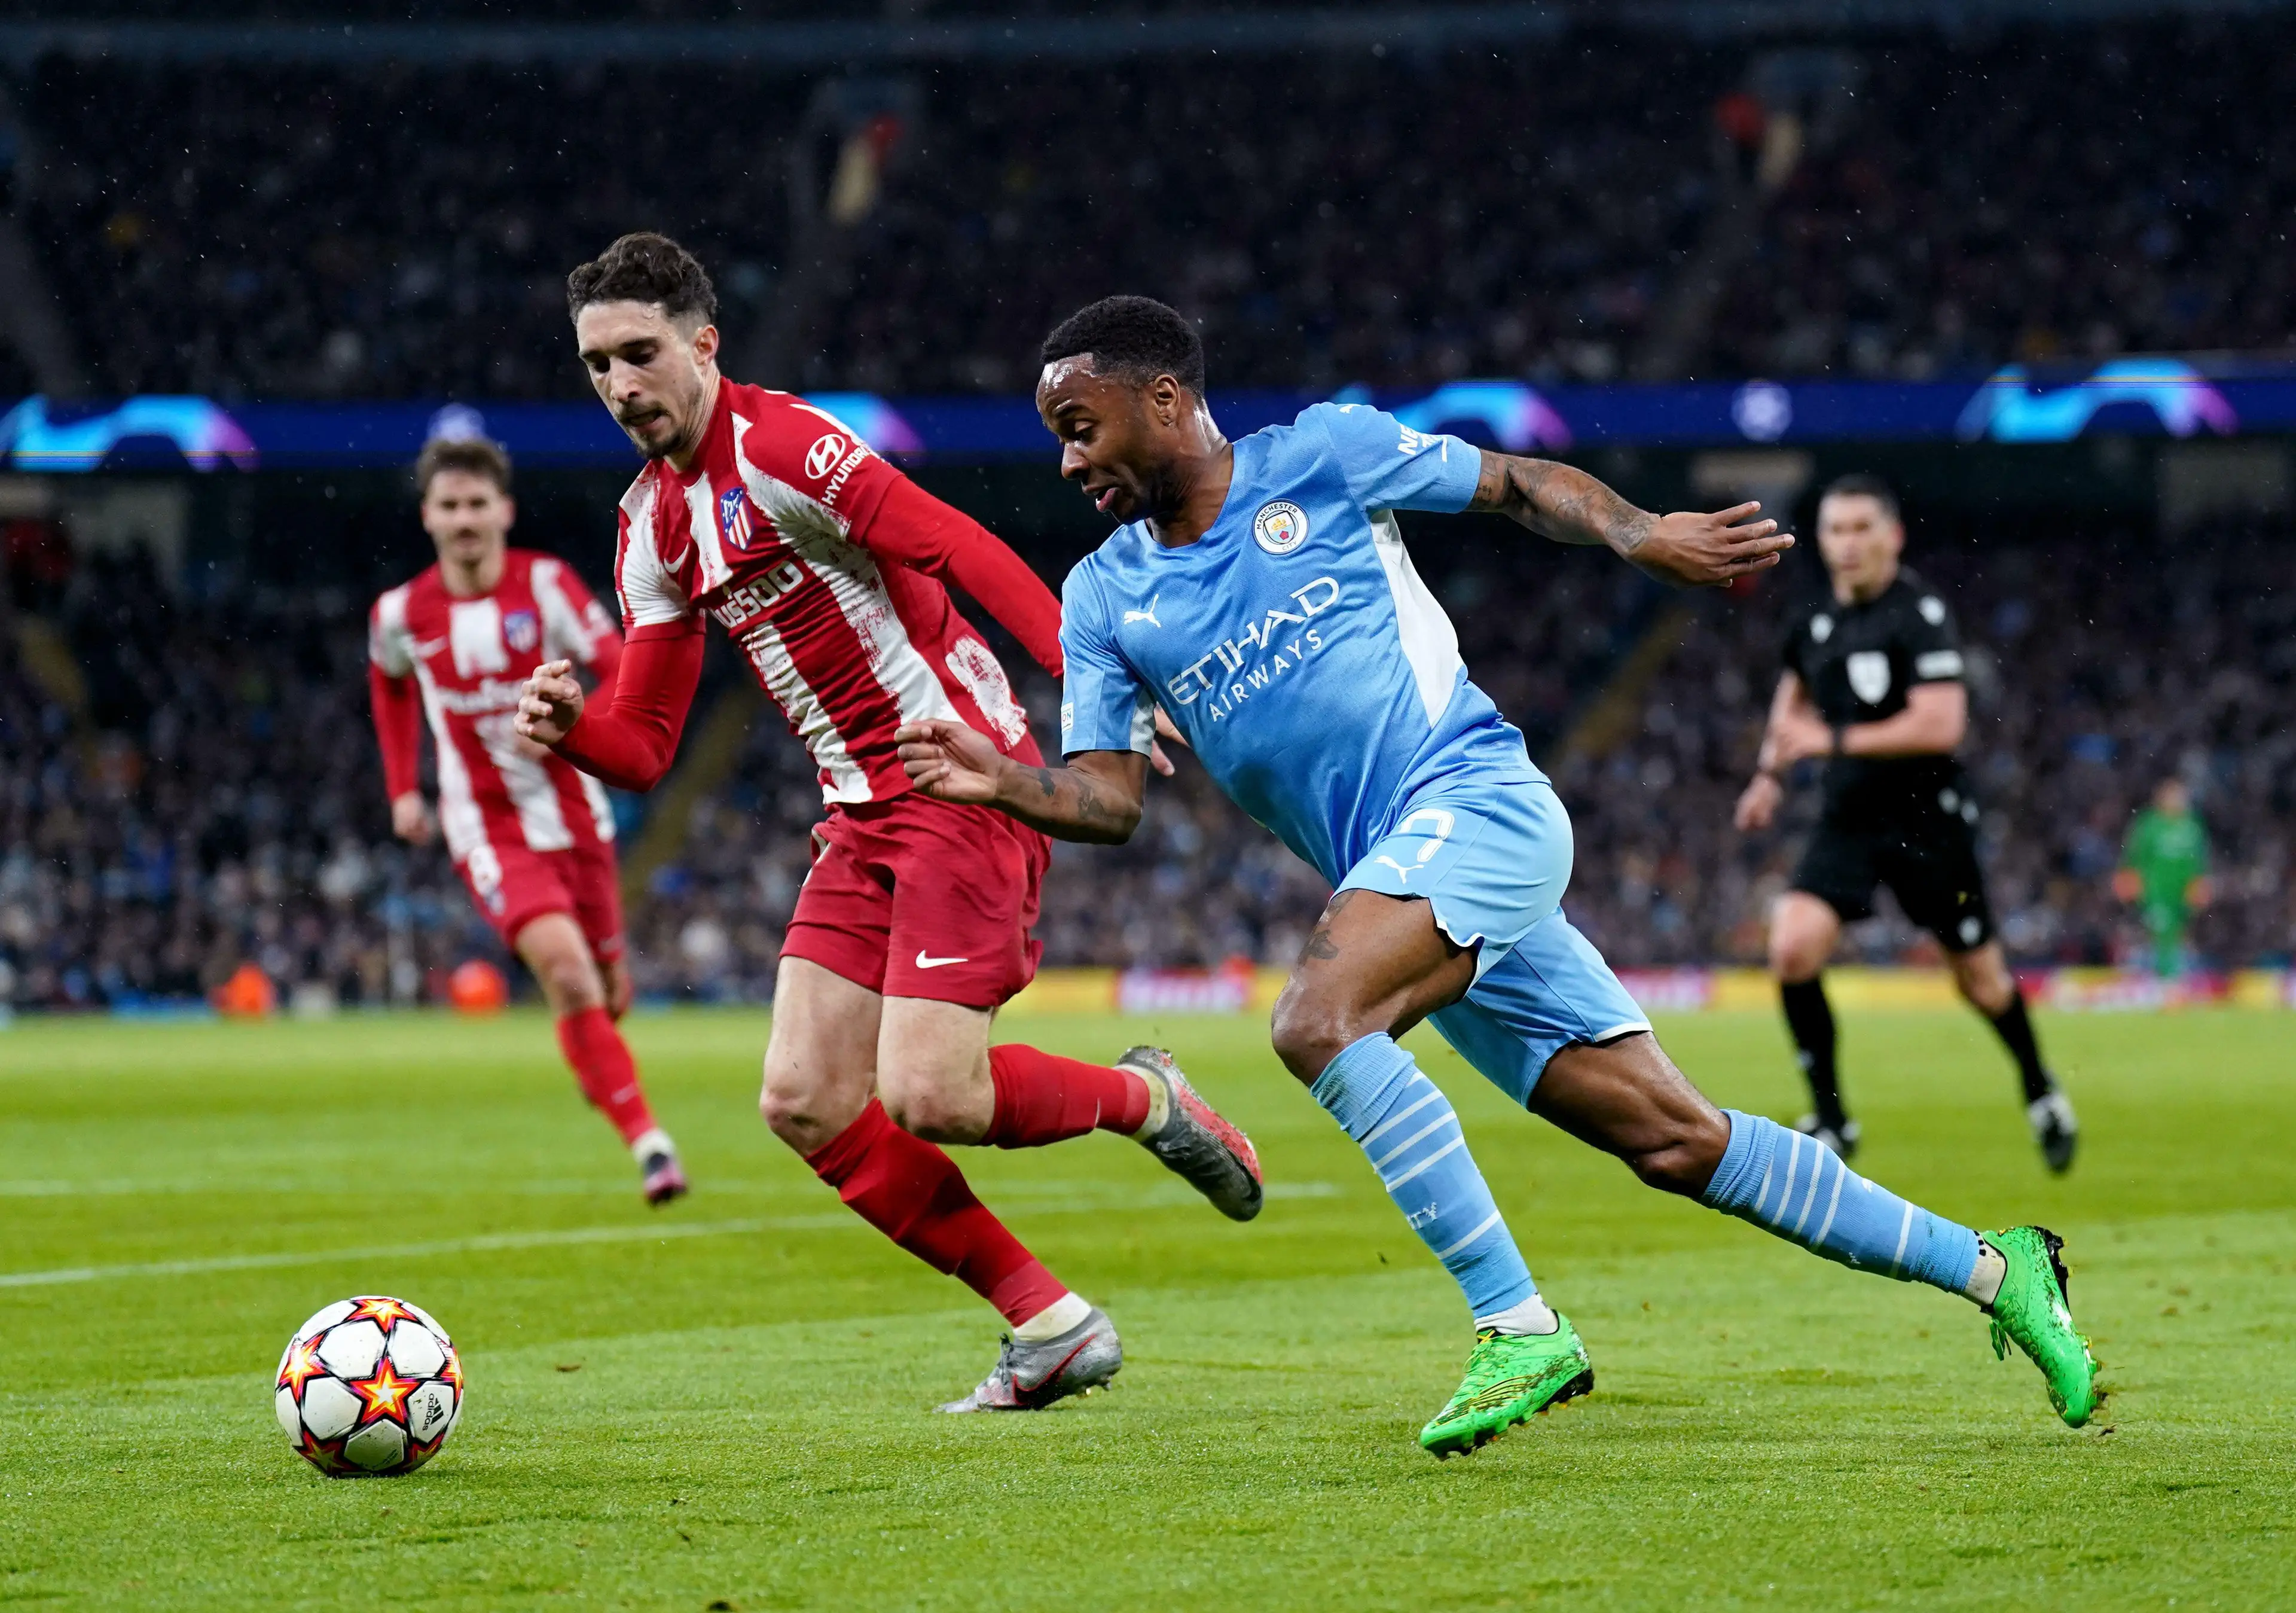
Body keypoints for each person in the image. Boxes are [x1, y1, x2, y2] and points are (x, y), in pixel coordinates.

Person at [896, 296, 2100, 1457]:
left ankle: (1519, 1327)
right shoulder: (1106, 595)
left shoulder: (1324, 453)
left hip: (1477, 802)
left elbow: (1517, 482)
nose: (1067, 463)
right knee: (1674, 1139)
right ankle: (1998, 1268)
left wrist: (1637, 529)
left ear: (1164, 399)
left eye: (1080, 427)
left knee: (1319, 1020)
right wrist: (996, 777)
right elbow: (1106, 797)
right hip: (1408, 877)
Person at [515, 234, 1260, 1413]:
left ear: (704, 346)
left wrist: (1094, 690)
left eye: (639, 353)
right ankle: (1052, 1324)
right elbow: (646, 746)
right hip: (857, 815)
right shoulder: (649, 526)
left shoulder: (783, 444)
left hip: (961, 775)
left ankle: (1147, 1097)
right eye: (597, 365)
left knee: (930, 1094)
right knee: (804, 1099)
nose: (619, 385)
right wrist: (573, 729)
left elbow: (953, 542)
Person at [370, 435, 686, 1205]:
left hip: (576, 816)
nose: (466, 518)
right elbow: (390, 685)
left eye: (478, 503)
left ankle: (598, 1067)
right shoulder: (401, 612)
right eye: (450, 506)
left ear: (504, 510)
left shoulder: (545, 586)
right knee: (569, 973)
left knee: (608, 994)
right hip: (486, 826)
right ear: (428, 518)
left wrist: (583, 723)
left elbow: (617, 661)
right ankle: (651, 1144)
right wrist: (403, 790)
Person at [1733, 475, 2075, 1173]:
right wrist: (1769, 777)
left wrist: (1826, 745)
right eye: (1835, 530)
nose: (1848, 544)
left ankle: (2041, 1092)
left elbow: (1942, 723)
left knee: (1980, 983)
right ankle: (1832, 1119)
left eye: (1863, 528)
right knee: (1792, 947)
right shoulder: (1813, 620)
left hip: (1929, 824)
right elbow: (1791, 698)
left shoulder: (1918, 613)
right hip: (1849, 818)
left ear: (1893, 536)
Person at [2115, 777, 2211, 979]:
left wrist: (2200, 886)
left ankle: (2168, 975)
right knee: (2163, 931)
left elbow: (2200, 862)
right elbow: (2135, 857)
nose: (2178, 801)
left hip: (2182, 891)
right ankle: (2166, 979)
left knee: (2176, 933)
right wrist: (2129, 880)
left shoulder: (2192, 827)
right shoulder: (2150, 825)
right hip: (2155, 890)